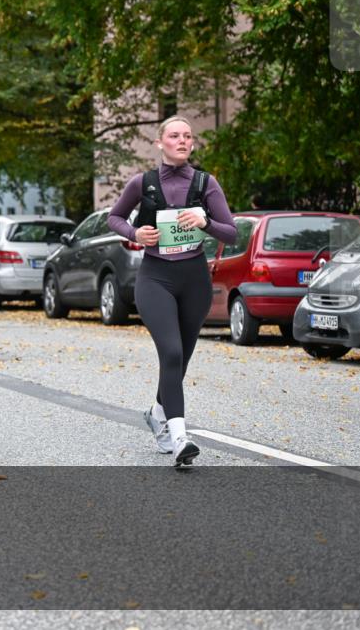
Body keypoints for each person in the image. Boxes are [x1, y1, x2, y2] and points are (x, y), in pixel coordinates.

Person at [107, 115, 237, 467]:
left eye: (187, 136)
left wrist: (204, 222)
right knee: (172, 351)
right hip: (155, 278)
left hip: (194, 279)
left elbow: (232, 232)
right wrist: (136, 235)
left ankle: (157, 412)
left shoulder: (205, 183)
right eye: (174, 135)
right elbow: (114, 218)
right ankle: (180, 437)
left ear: (192, 144)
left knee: (179, 360)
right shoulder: (142, 183)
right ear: (160, 142)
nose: (182, 141)